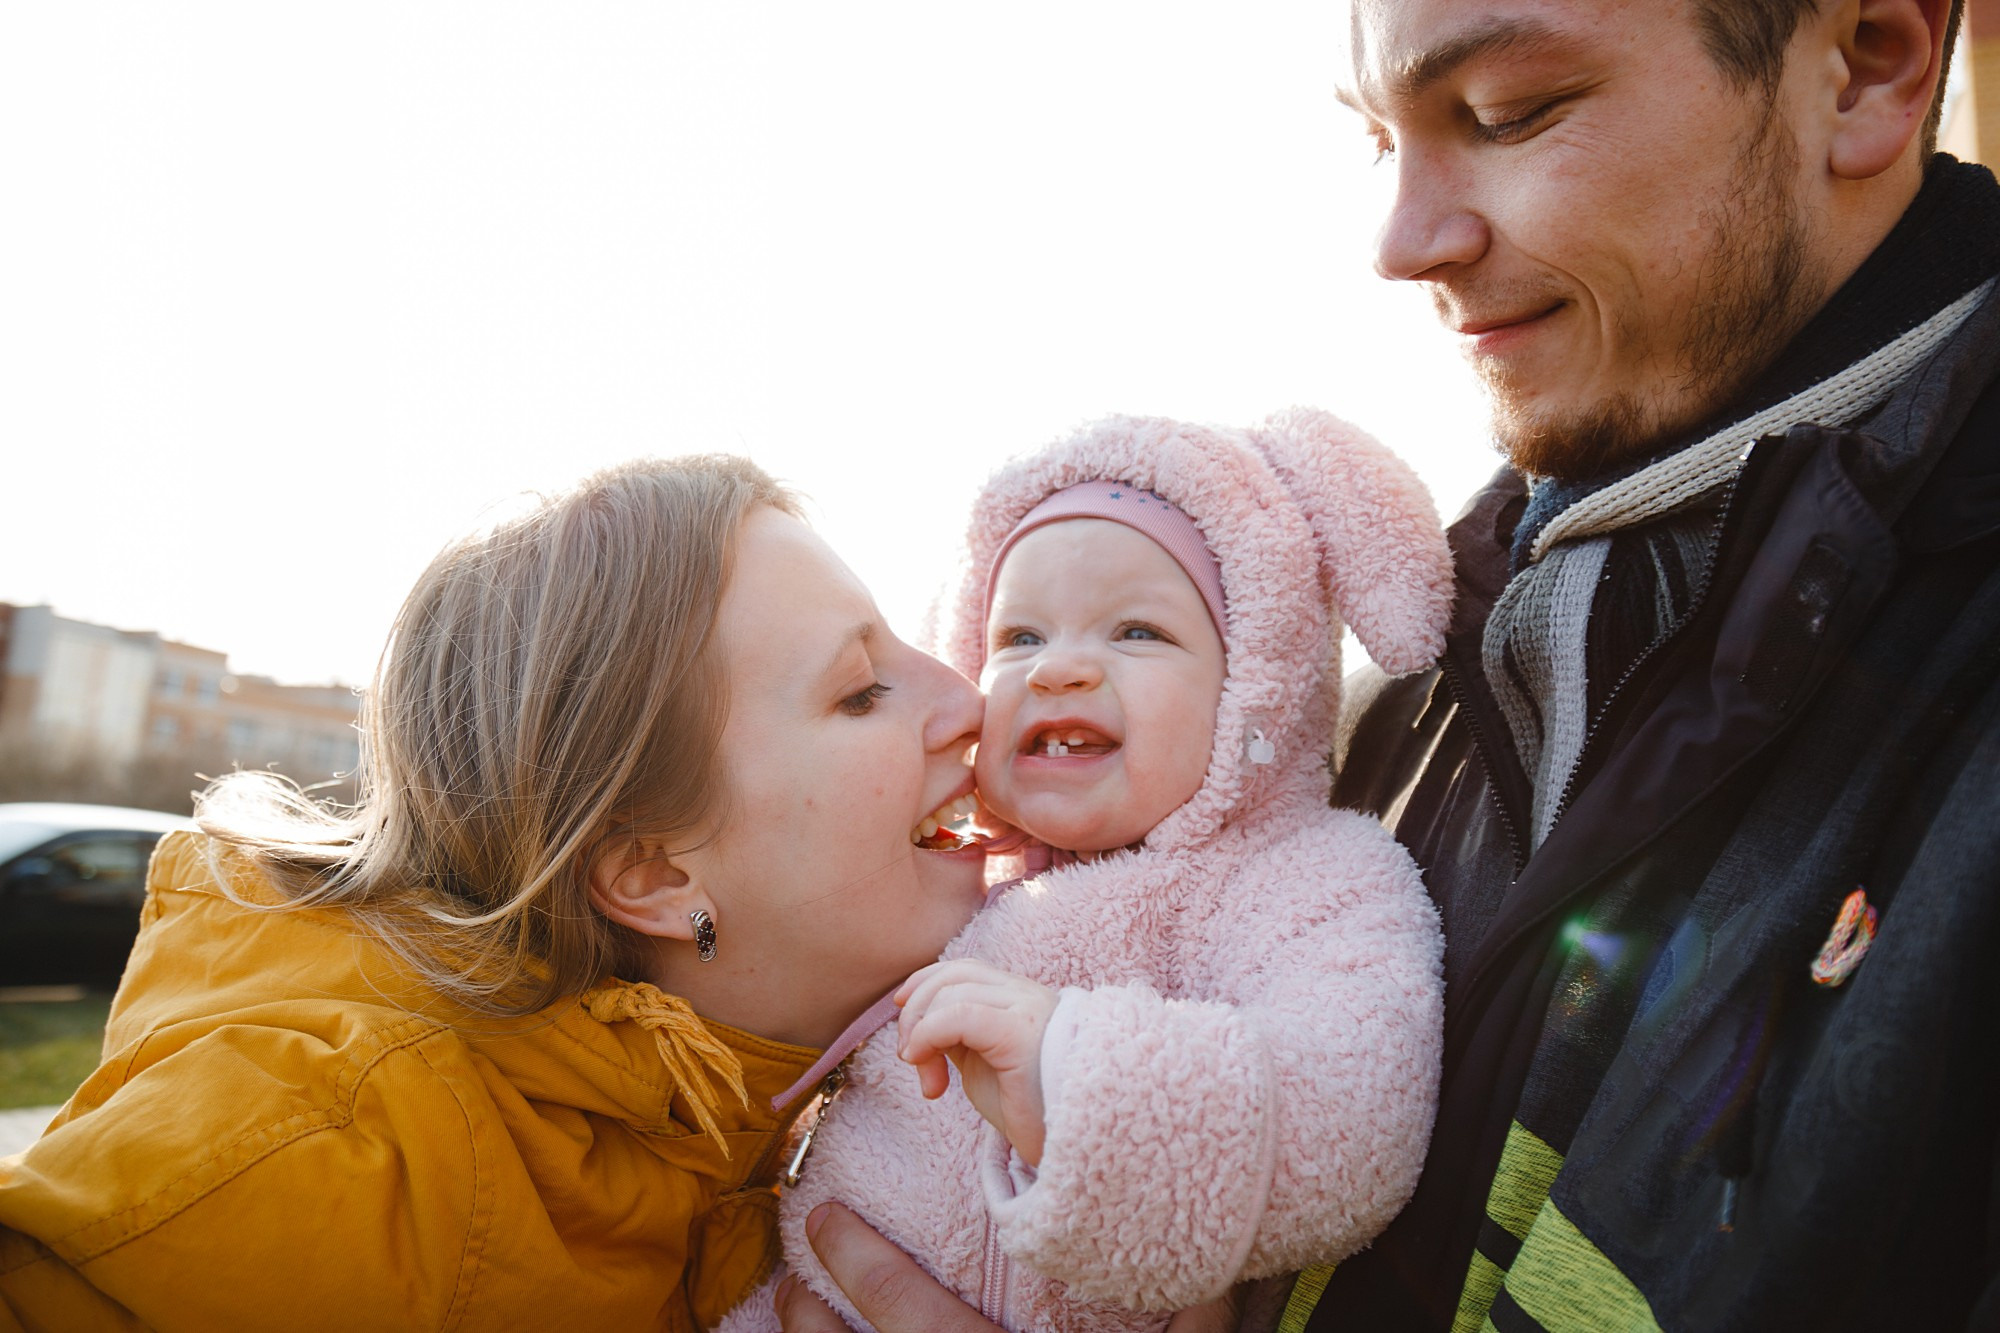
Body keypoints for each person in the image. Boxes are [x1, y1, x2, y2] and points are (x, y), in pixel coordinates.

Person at [777, 1, 2000, 1330]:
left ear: (1872, 63)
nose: (1402, 241)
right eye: (1382, 139)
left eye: (1509, 112)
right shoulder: (1422, 680)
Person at [0, 456, 994, 1331]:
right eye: (860, 690)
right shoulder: (333, 1157)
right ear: (651, 873)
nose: (970, 699)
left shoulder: (775, 1122)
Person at [725, 410, 1454, 1332]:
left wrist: (1072, 1076)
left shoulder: (1310, 880)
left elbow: (1350, 1116)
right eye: (1019, 636)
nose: (1060, 667)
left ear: (1255, 683)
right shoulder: (954, 882)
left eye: (1138, 631)